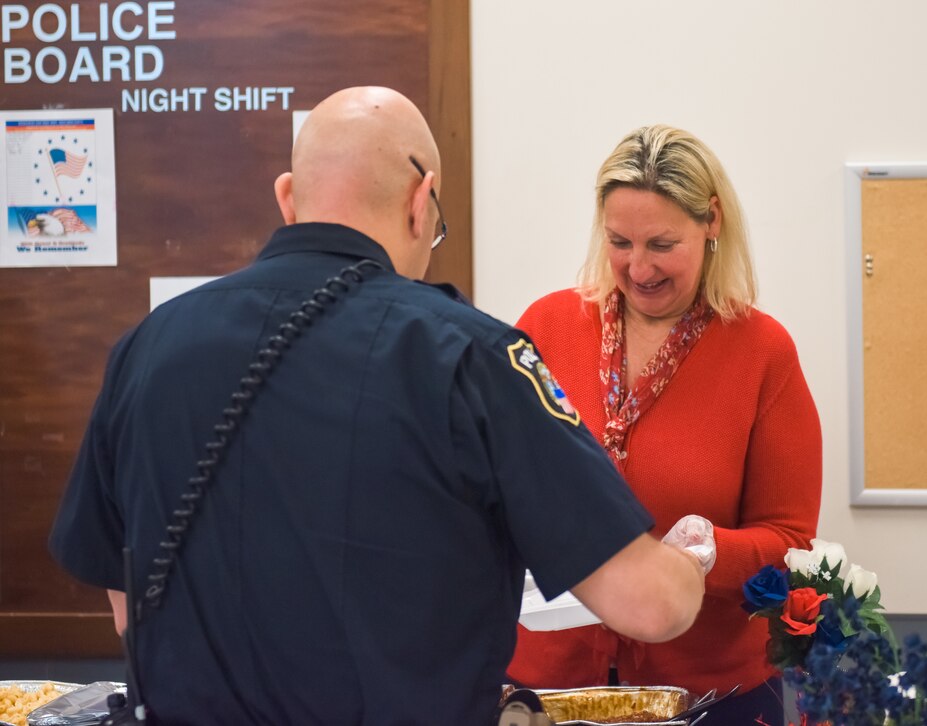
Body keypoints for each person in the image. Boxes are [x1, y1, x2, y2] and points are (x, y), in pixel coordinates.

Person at [48, 88, 715, 725]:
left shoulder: (148, 347)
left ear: (288, 197)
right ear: (422, 203)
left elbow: (129, 606)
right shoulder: (470, 355)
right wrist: (689, 561)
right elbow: (649, 604)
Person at [505, 125, 822, 726]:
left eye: (661, 243)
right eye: (619, 241)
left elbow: (791, 542)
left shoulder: (762, 353)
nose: (638, 267)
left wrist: (710, 552)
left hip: (712, 694)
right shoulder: (545, 328)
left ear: (713, 223)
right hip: (548, 685)